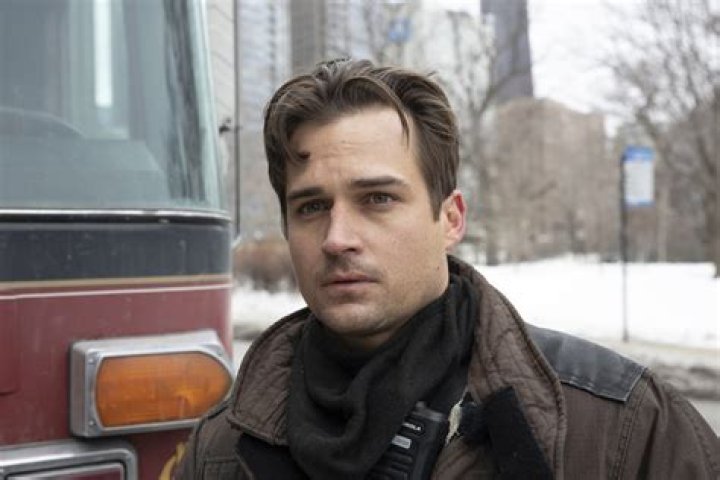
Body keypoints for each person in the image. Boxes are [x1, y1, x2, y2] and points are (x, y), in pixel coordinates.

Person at [176, 59, 719, 479]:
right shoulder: (221, 450)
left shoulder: (621, 429)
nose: (338, 238)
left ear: (451, 218)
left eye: (378, 199)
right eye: (312, 207)